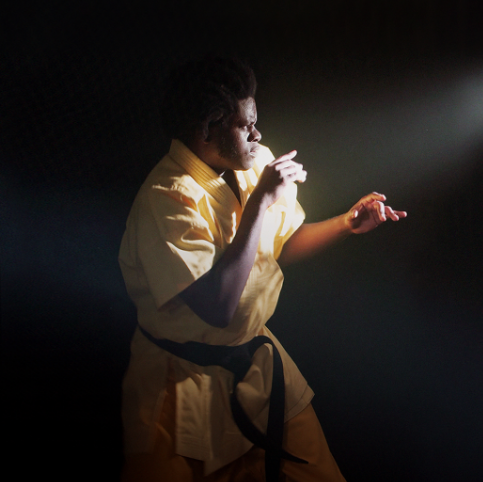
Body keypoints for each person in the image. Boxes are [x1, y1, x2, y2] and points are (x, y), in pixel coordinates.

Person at [118, 56, 406, 482]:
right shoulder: (166, 199)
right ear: (208, 129)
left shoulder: (255, 164)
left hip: (257, 368)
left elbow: (280, 246)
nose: (257, 134)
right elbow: (218, 307)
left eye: (256, 120)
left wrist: (348, 223)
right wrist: (259, 205)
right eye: (245, 125)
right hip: (179, 388)